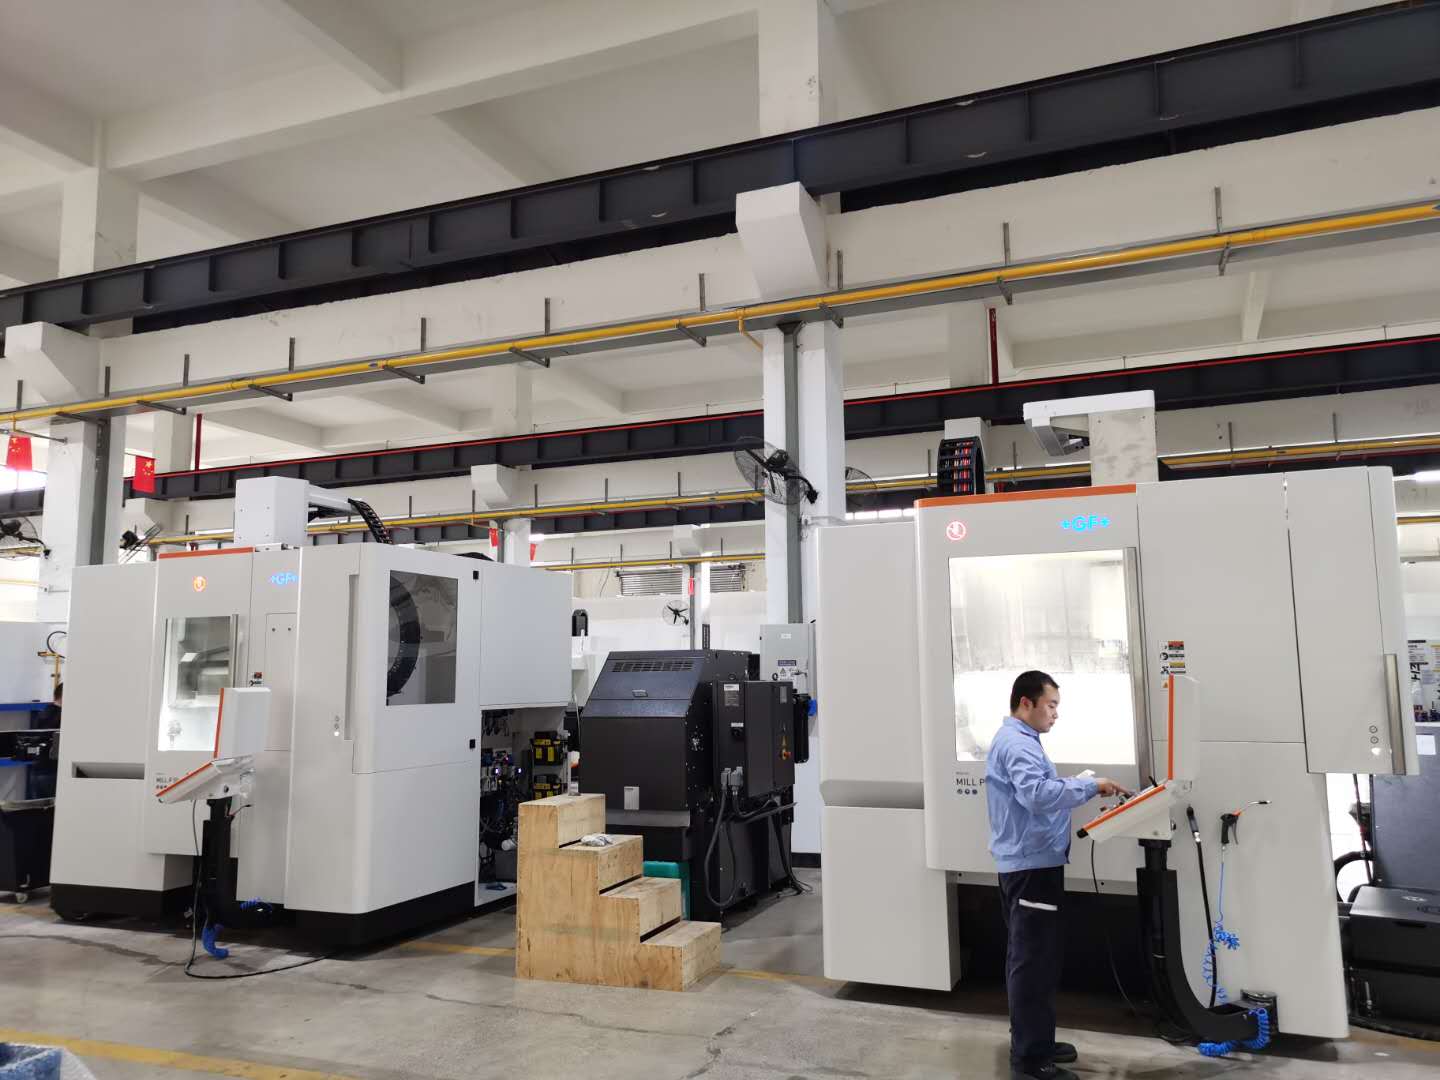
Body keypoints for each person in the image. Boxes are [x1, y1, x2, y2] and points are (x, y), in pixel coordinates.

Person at [987, 670, 1129, 1080]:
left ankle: (1037, 1042)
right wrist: (1091, 787)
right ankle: (1030, 1061)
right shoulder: (1018, 743)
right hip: (1030, 867)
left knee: (1038, 960)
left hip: (1034, 863)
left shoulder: (1022, 740)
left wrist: (1078, 785)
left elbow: (1038, 788)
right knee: (1032, 963)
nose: (1055, 714)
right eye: (1050, 705)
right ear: (1025, 703)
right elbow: (1036, 795)